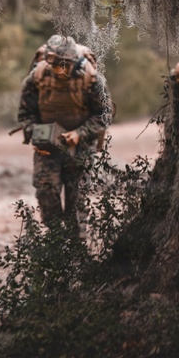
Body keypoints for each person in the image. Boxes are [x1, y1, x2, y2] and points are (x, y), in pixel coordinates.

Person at [17, 35, 113, 235]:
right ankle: (56, 240)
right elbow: (25, 114)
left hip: (81, 146)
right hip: (47, 148)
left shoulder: (91, 77)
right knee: (46, 191)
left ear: (74, 62)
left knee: (78, 199)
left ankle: (76, 247)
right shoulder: (37, 77)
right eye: (57, 65)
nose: (61, 71)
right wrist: (34, 133)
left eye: (66, 65)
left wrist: (80, 133)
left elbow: (104, 113)